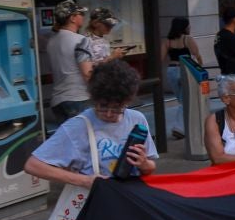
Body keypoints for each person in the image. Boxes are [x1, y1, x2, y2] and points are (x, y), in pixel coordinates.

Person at [25, 61, 159, 187]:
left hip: (130, 197)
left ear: (127, 102)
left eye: (117, 108)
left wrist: (144, 164)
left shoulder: (137, 119)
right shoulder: (77, 126)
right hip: (97, 200)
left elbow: (150, 168)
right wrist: (85, 181)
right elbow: (33, 165)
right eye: (103, 106)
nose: (108, 114)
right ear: (94, 98)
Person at [46, 0, 91, 124]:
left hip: (57, 101)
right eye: (80, 14)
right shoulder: (80, 40)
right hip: (78, 98)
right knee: (86, 140)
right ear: (72, 18)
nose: (83, 17)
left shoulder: (52, 41)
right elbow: (87, 73)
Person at [163, 17, 204, 140]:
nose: (190, 28)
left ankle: (183, 126)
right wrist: (200, 69)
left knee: (181, 100)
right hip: (185, 70)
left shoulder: (167, 41)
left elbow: (160, 58)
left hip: (171, 70)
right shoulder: (188, 39)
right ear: (184, 27)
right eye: (188, 26)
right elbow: (197, 55)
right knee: (184, 100)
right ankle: (179, 128)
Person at [79, 8, 120, 81]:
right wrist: (112, 57)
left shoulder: (104, 40)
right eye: (107, 25)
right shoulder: (86, 42)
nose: (110, 27)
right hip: (95, 83)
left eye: (111, 25)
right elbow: (89, 69)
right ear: (95, 23)